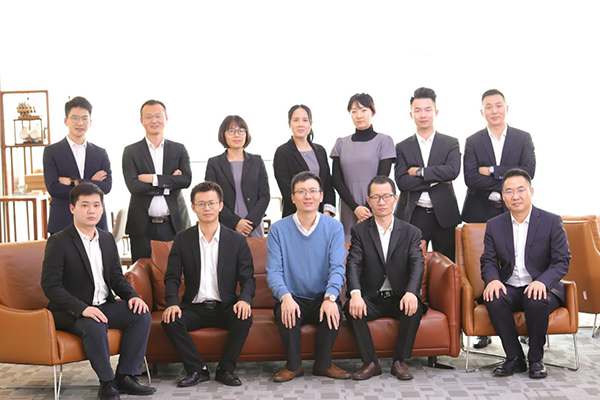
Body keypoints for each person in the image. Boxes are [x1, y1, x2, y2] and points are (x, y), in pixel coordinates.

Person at [41, 183, 155, 400]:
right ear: (72, 208)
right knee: (95, 325)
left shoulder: (106, 238)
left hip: (104, 305)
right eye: (85, 205)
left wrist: (133, 296)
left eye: (96, 205)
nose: (91, 210)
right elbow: (50, 286)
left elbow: (116, 277)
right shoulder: (58, 241)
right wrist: (82, 309)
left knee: (140, 314)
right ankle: (107, 382)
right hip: (72, 311)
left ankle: (126, 376)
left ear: (102, 208)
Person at [462, 89, 536, 349]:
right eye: (488, 106)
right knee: (482, 264)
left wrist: (491, 170)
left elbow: (528, 172)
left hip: (513, 210)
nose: (494, 111)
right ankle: (483, 328)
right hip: (480, 211)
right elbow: (471, 178)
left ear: (506, 108)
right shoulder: (473, 141)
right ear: (482, 111)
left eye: (498, 105)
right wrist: (509, 178)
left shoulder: (522, 138)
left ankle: (528, 323)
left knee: (519, 260)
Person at [162, 181, 255, 387]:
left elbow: (247, 278)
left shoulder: (236, 240)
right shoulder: (182, 239)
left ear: (220, 206)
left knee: (244, 317)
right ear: (193, 207)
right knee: (170, 320)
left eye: (212, 203)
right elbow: (172, 277)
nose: (207, 208)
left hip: (226, 306)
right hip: (194, 307)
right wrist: (172, 303)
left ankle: (226, 369)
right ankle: (197, 369)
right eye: (201, 204)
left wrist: (245, 300)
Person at [481, 169, 570, 379]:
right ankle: (514, 358)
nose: (515, 196)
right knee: (494, 298)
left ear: (531, 191)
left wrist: (543, 282)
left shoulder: (551, 221)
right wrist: (492, 280)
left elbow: (561, 260)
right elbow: (488, 260)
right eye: (509, 191)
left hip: (541, 287)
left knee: (536, 299)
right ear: (503, 196)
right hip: (510, 286)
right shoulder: (495, 225)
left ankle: (536, 359)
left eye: (520, 190)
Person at [266, 171, 351, 382]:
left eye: (313, 191)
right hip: (292, 297)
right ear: (292, 198)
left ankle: (324, 364)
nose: (308, 196)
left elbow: (337, 268)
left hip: (322, 296)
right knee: (286, 312)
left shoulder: (334, 227)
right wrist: (285, 297)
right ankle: (293, 366)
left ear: (321, 196)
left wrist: (330, 297)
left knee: (332, 311)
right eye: (301, 191)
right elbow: (274, 271)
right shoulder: (278, 229)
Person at [345, 176, 425, 381]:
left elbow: (417, 263)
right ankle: (371, 362)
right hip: (372, 297)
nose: (381, 202)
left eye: (386, 196)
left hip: (400, 296)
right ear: (368, 201)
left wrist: (411, 292)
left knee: (414, 307)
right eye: (376, 197)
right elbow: (353, 263)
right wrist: (355, 294)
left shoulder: (411, 232)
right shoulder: (359, 231)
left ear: (395, 198)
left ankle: (400, 361)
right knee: (351, 309)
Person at [394, 87, 461, 261]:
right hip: (413, 215)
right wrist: (436, 179)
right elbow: (402, 182)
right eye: (418, 110)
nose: (423, 115)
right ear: (411, 115)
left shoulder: (451, 143)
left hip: (444, 216)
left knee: (447, 266)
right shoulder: (402, 147)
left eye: (427, 110)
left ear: (435, 112)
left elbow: (452, 171)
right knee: (411, 264)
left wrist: (419, 172)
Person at [122, 99, 192, 263]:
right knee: (142, 271)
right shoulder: (131, 151)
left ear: (166, 118)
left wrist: (153, 179)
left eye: (158, 116)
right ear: (142, 121)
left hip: (174, 225)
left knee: (177, 270)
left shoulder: (179, 149)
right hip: (142, 227)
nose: (154, 120)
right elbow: (133, 186)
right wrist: (169, 184)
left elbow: (186, 180)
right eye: (148, 117)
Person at [330, 93, 396, 241]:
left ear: (372, 112)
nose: (359, 115)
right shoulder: (341, 143)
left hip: (376, 204)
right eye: (354, 111)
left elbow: (382, 179)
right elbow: (337, 180)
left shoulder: (384, 141)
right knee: (349, 246)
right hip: (349, 205)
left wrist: (367, 208)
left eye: (364, 110)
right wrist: (355, 208)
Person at [43, 96, 112, 234]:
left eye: (84, 118)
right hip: (63, 220)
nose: (80, 123)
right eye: (75, 118)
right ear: (66, 121)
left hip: (96, 222)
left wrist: (74, 182)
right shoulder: (52, 151)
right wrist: (91, 183)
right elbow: (53, 188)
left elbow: (106, 187)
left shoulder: (100, 153)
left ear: (90, 122)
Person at [205, 115, 270, 238]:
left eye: (241, 131)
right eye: (231, 131)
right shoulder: (214, 163)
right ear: (223, 134)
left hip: (253, 224)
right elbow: (212, 198)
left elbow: (264, 196)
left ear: (246, 134)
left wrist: (249, 223)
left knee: (256, 250)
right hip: (226, 224)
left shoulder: (257, 161)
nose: (237, 135)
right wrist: (236, 223)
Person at [273, 104, 336, 218]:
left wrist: (327, 212)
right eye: (296, 120)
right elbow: (287, 190)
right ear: (289, 123)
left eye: (305, 120)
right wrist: (309, 214)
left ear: (310, 123)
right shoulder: (282, 152)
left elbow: (327, 184)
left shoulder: (320, 150)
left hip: (322, 216)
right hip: (296, 217)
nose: (300, 124)